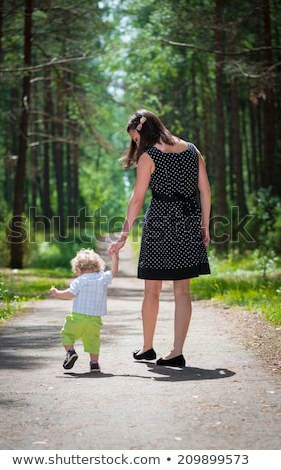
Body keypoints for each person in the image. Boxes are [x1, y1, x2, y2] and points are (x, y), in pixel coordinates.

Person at [108, 109, 211, 368]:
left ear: (142, 132)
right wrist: (205, 225)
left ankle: (147, 347)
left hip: (160, 223)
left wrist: (123, 235)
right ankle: (177, 351)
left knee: (152, 289)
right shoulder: (192, 150)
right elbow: (205, 190)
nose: (135, 144)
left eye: (134, 138)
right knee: (182, 290)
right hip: (189, 219)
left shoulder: (149, 156)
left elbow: (137, 199)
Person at [49, 248, 118, 372]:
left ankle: (70, 352)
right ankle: (94, 364)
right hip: (94, 319)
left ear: (78, 270)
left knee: (67, 334)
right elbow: (113, 271)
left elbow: (70, 294)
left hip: (77, 317)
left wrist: (57, 293)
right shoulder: (102, 277)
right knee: (93, 340)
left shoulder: (80, 280)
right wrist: (115, 257)